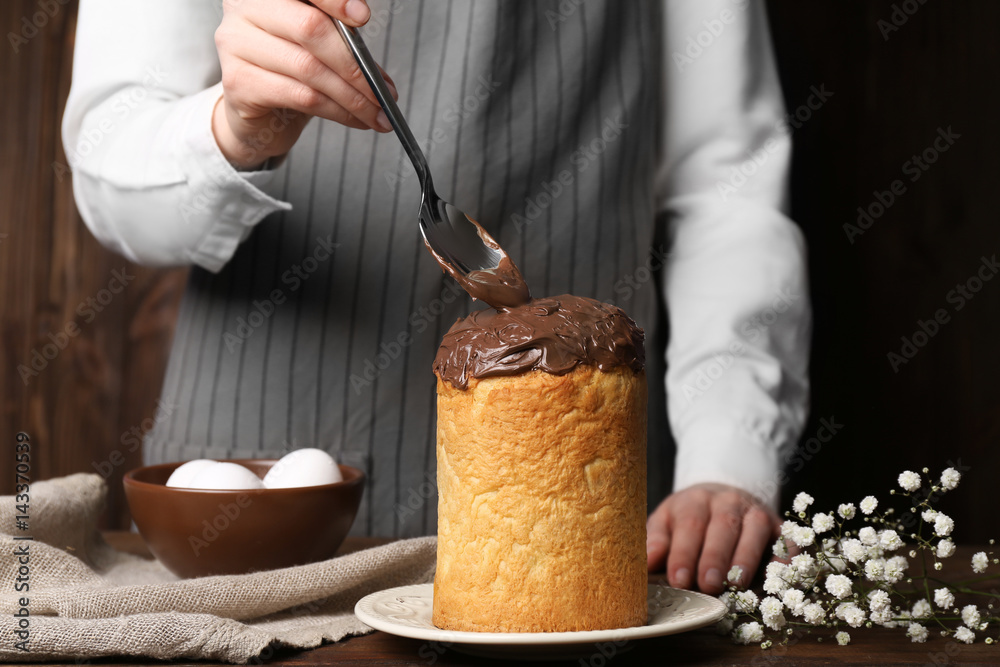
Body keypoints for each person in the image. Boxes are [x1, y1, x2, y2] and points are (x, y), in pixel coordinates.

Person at [63, 0, 810, 595]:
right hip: (257, 505)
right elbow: (110, 167)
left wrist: (728, 452)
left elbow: (726, 188)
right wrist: (236, 126)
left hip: (584, 508)